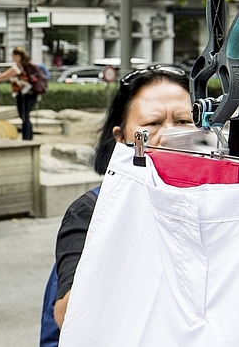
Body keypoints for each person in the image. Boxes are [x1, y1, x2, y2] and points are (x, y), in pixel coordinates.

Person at [50, 65, 191, 336]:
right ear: (121, 137)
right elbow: (67, 314)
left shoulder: (215, 204)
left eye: (183, 122)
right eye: (152, 124)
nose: (170, 136)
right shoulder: (90, 211)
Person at [0, 45, 37, 140]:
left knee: (24, 115)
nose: (12, 58)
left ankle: (27, 137)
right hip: (29, 93)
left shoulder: (19, 67)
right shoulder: (25, 65)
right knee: (25, 115)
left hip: (25, 94)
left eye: (14, 56)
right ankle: (28, 136)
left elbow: (5, 75)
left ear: (18, 56)